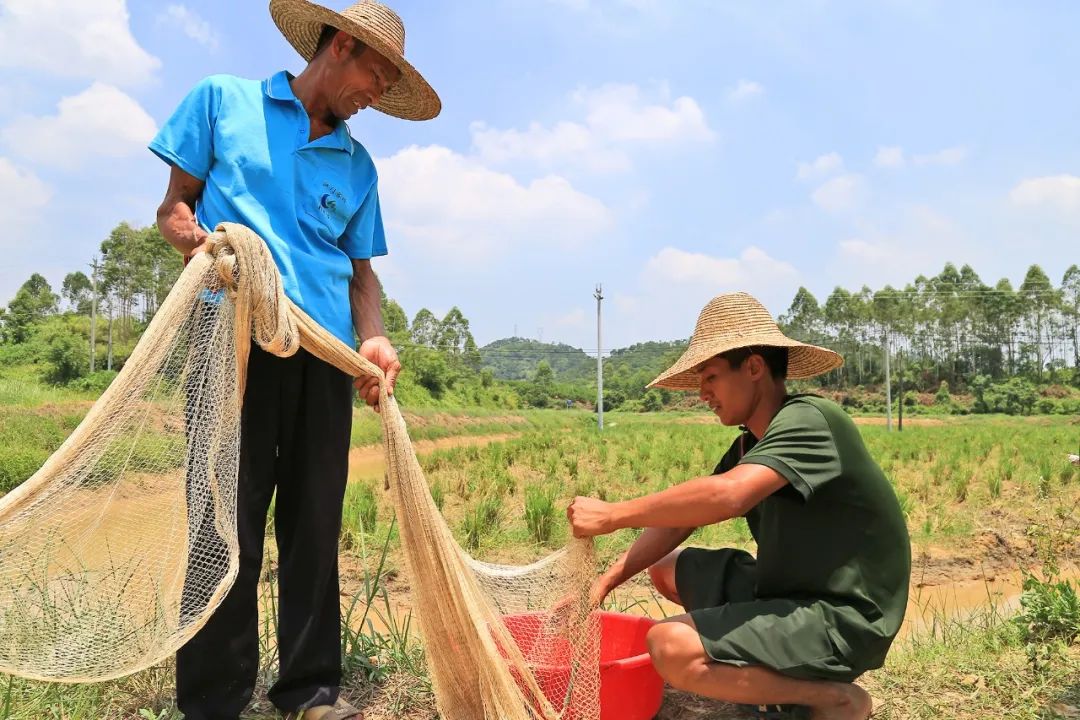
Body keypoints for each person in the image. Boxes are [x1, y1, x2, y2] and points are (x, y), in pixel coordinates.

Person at [151, 2, 439, 718]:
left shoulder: (358, 163)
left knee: (314, 521)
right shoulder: (225, 100)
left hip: (323, 356)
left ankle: (309, 690)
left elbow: (360, 272)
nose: (378, 94)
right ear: (342, 46)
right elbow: (173, 209)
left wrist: (372, 339)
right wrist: (202, 247)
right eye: (377, 75)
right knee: (226, 523)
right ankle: (214, 700)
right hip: (229, 338)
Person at [567, 292, 910, 720]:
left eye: (709, 376)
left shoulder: (811, 419)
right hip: (788, 596)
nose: (702, 392)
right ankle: (783, 679)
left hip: (843, 617)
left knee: (670, 647)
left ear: (753, 367)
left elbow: (729, 495)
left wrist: (614, 514)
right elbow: (681, 522)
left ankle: (832, 698)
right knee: (666, 565)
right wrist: (606, 581)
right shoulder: (750, 443)